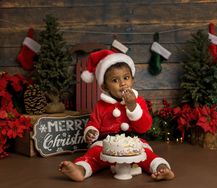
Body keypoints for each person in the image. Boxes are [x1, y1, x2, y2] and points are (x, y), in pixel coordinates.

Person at [59, 49, 175, 182]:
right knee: (93, 155)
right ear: (105, 87)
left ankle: (162, 168)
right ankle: (80, 169)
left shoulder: (139, 102)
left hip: (134, 143)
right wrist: (91, 131)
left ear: (133, 80)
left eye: (126, 78)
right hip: (106, 145)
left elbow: (144, 127)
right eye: (115, 80)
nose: (122, 83)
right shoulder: (101, 105)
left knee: (147, 155)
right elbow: (93, 123)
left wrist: (132, 107)